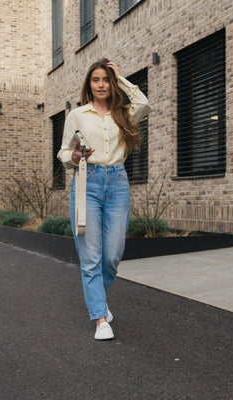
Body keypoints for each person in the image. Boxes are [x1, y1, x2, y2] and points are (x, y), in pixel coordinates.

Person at [57, 58, 152, 340]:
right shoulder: (78, 115)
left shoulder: (123, 113)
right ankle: (100, 319)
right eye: (96, 80)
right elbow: (63, 153)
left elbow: (144, 105)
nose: (101, 85)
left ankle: (97, 297)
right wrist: (74, 156)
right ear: (89, 84)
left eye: (106, 80)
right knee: (90, 257)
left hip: (118, 183)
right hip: (87, 182)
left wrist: (121, 77)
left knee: (112, 256)